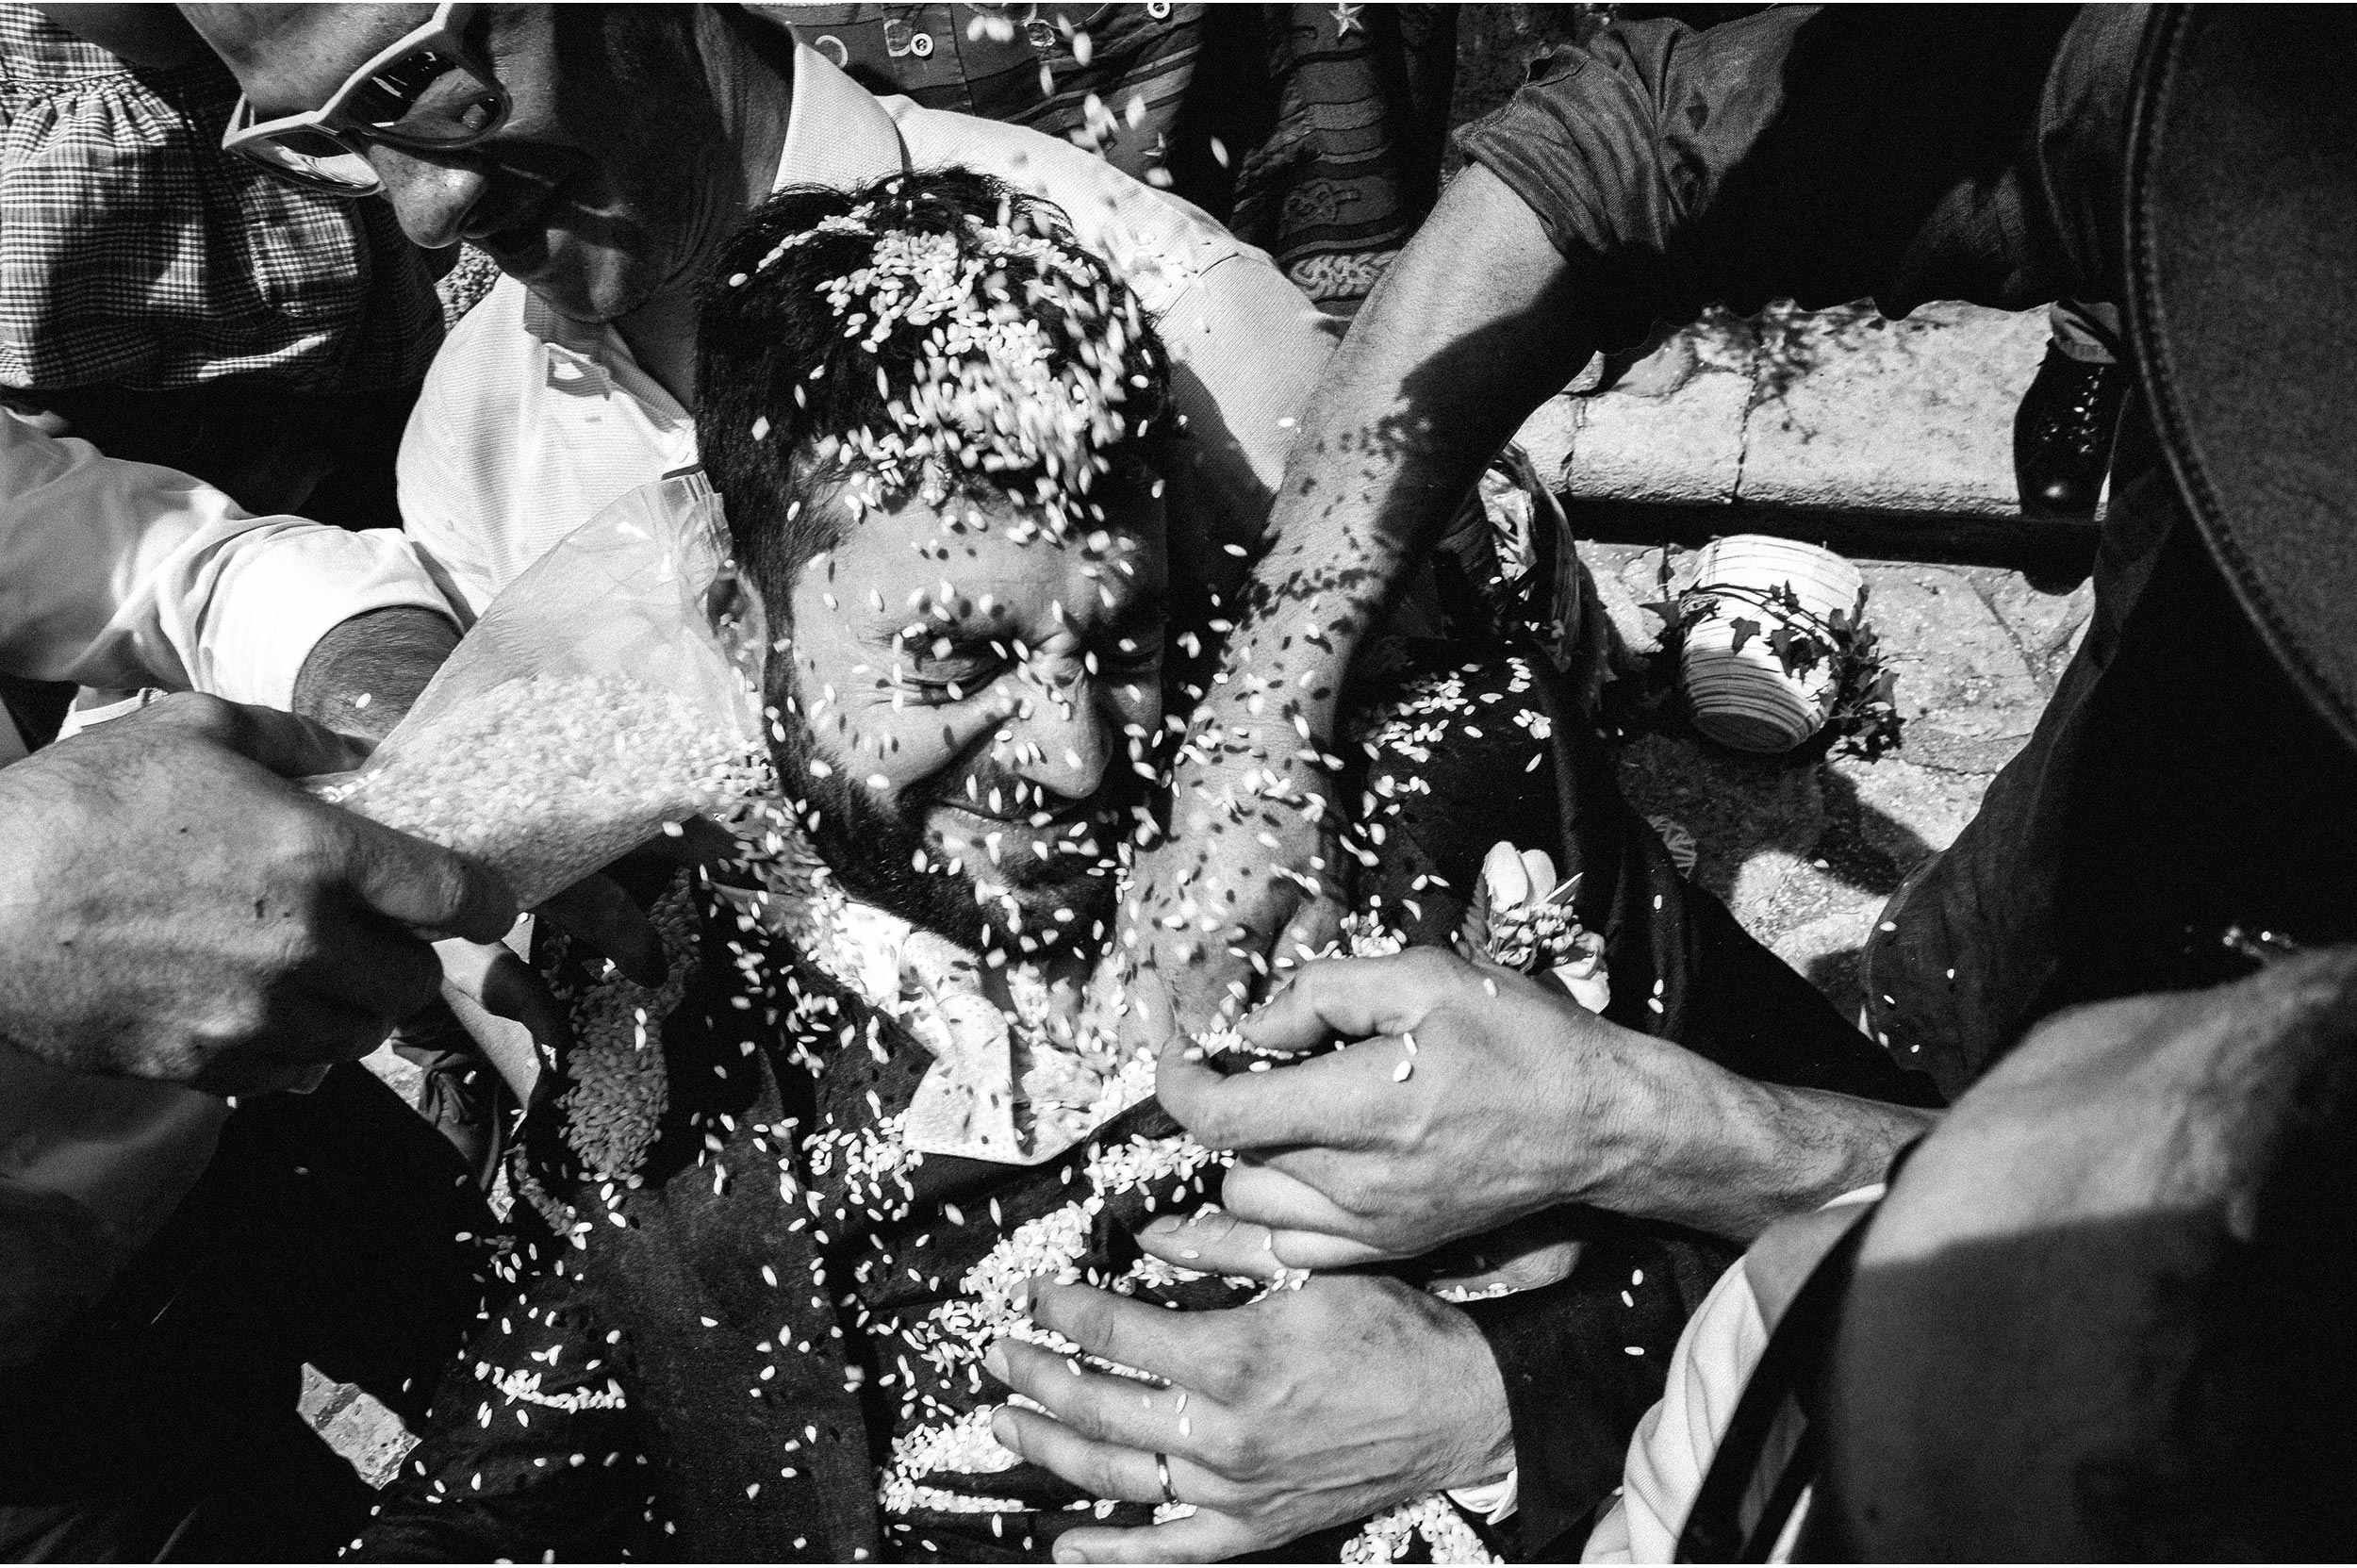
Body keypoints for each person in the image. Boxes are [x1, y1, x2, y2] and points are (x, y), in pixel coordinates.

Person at [340, 171, 1924, 1565]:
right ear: (744, 627)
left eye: (1123, 637)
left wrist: (1505, 1392)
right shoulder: (664, 1034)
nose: (1076, 753)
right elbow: (494, 1494)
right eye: (953, 659)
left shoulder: (1461, 788)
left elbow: (1910, 1196)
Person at [983, 4, 2357, 1560]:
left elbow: (2011, 1272)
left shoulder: (2136, 1335)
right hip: (2064, 898)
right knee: (1953, 1004)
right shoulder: (2229, 84)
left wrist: (1599, 1209)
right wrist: (1265, 700)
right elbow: (1609, 160)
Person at [0, 405, 521, 1556]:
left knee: (584, 1387)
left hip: (257, 1113)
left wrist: (417, 740)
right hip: (40, 1429)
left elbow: (181, 567)